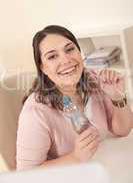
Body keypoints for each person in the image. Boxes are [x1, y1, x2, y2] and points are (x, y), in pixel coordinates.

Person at [16, 25, 133, 170]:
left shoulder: (94, 80)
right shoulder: (35, 112)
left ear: (79, 52)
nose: (66, 60)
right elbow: (26, 173)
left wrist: (117, 97)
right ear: (43, 67)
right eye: (52, 56)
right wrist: (74, 158)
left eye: (70, 49)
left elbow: (123, 130)